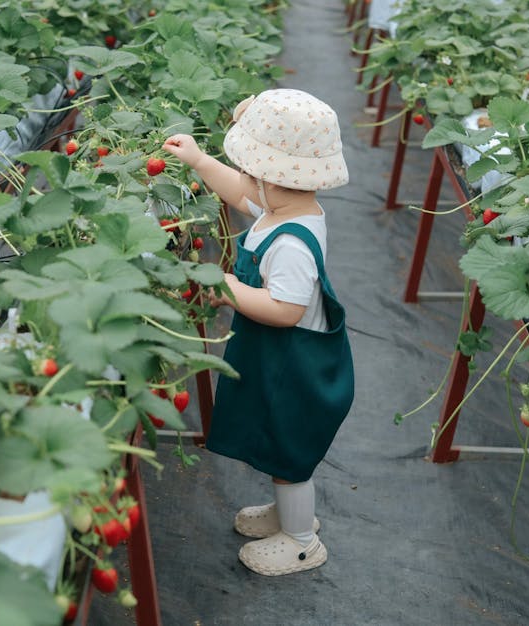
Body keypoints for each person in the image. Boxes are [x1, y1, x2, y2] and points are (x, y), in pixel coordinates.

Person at [162, 88, 354, 576]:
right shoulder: (284, 209)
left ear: (277, 178)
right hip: (279, 360)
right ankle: (288, 513)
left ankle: (302, 539)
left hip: (297, 368)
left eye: (252, 170)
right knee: (276, 444)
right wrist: (201, 161)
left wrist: (225, 286)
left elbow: (285, 310)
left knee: (288, 452)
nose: (246, 178)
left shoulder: (291, 241)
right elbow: (242, 193)